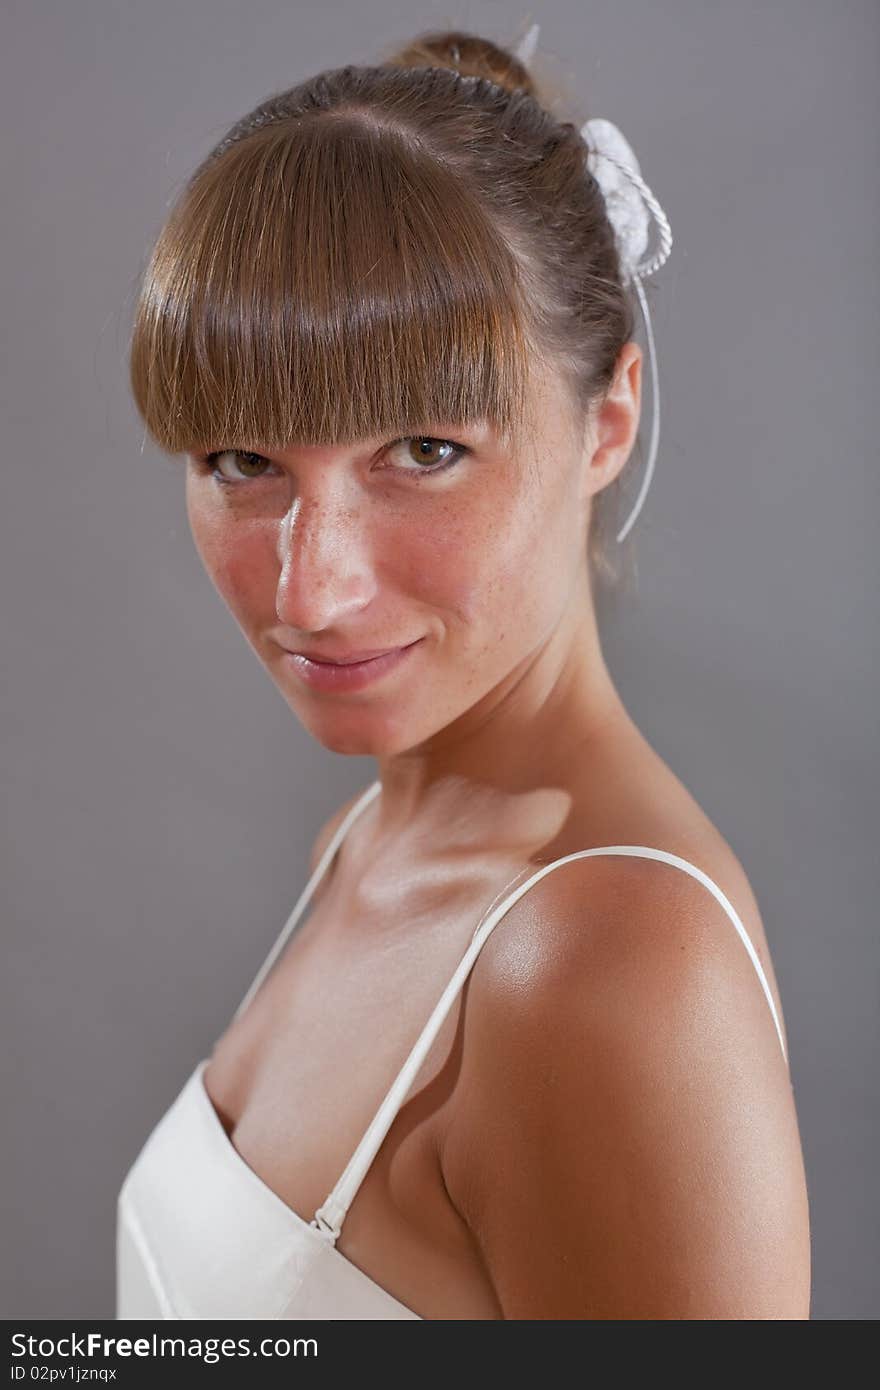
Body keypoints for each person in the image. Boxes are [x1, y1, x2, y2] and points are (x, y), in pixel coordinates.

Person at [117, 26, 811, 1320]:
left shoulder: (604, 965)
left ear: (608, 418)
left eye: (423, 449)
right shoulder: (364, 840)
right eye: (240, 462)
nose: (308, 590)